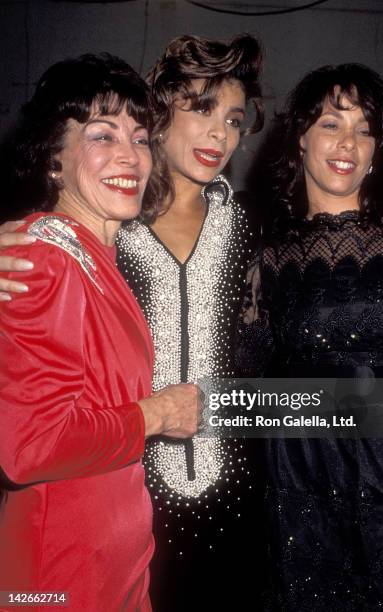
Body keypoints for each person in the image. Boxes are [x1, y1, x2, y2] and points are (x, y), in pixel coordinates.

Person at [0, 36, 266, 612]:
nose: (220, 133)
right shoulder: (90, 231)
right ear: (164, 108)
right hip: (95, 532)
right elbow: (32, 434)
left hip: (200, 506)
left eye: (235, 120)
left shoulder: (246, 225)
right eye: (201, 108)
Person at [237, 62, 383, 611]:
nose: (348, 143)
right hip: (303, 486)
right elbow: (244, 385)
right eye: (331, 123)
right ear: (301, 136)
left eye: (364, 128)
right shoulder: (269, 257)